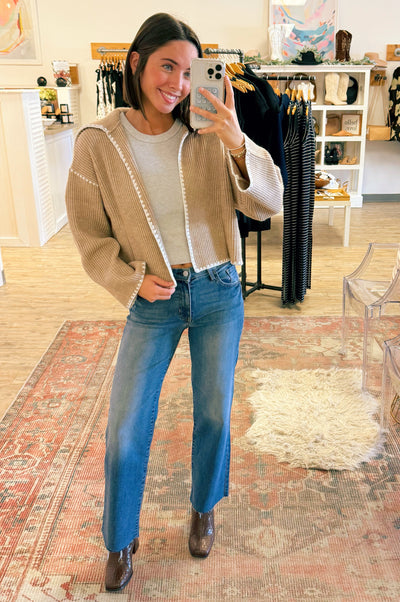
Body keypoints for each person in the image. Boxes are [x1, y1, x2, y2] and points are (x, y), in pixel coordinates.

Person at [65, 12, 283, 592]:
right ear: (137, 62)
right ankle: (120, 538)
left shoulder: (209, 131)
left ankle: (203, 509)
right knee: (125, 426)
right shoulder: (98, 144)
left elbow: (268, 202)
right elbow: (88, 234)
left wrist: (236, 141)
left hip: (218, 290)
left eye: (189, 73)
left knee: (213, 412)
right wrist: (129, 280)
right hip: (153, 299)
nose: (178, 85)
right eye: (168, 67)